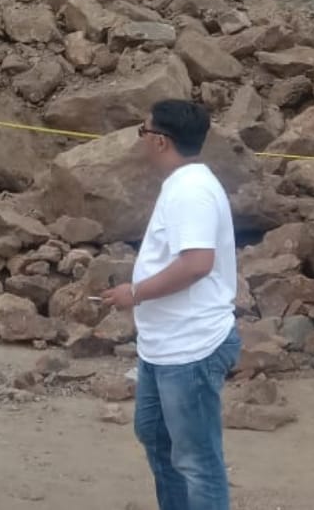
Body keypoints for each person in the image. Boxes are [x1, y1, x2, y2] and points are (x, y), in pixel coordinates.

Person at [101, 99, 241, 510]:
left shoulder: (191, 192)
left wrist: (135, 293)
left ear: (161, 141)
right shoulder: (183, 184)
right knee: (155, 434)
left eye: (142, 132)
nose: (141, 140)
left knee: (197, 461)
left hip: (190, 347)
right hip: (165, 345)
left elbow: (197, 263)